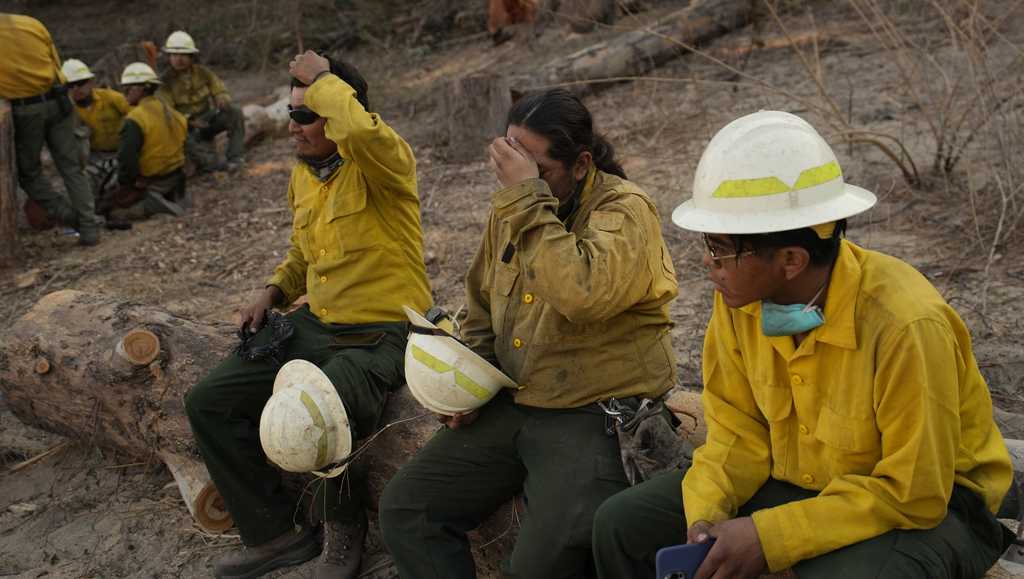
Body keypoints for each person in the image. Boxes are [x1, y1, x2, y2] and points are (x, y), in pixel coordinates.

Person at [592, 110, 1014, 579]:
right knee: (620, 525)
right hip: (799, 480)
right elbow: (737, 435)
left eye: (720, 249)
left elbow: (913, 490)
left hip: (933, 509)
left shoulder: (905, 324)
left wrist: (770, 536)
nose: (709, 264)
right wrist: (705, 517)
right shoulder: (740, 301)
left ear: (791, 259)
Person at [379, 88, 680, 578]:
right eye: (511, 161)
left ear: (581, 165)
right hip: (517, 398)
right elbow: (480, 305)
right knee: (408, 510)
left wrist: (525, 200)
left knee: (542, 565)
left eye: (536, 170)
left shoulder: (625, 211)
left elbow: (581, 293)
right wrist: (467, 383)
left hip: (593, 412)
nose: (518, 178)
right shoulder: (513, 208)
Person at [184, 50, 431, 579]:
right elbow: (304, 252)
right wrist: (273, 290)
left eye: (305, 115)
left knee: (324, 400)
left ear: (339, 114)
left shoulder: (383, 163)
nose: (292, 129)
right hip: (320, 323)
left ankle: (344, 532)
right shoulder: (304, 175)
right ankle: (275, 534)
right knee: (209, 401)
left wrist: (322, 78)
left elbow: (363, 134)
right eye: (291, 114)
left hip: (383, 331)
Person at [0, 12, 101, 245]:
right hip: (58, 101)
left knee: (29, 173)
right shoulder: (32, 23)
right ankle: (89, 227)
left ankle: (72, 218)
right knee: (71, 167)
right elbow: (56, 65)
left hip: (25, 109)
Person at [157, 30, 246, 172]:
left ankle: (235, 157)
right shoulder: (164, 82)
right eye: (174, 55)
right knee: (182, 137)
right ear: (169, 57)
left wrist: (221, 98)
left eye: (183, 55)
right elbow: (168, 112)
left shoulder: (203, 73)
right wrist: (189, 121)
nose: (179, 59)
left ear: (191, 56)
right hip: (186, 127)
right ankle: (217, 165)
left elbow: (219, 88)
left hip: (207, 120)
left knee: (234, 111)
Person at [110, 62, 188, 221]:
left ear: (141, 88)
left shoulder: (135, 119)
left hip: (151, 181)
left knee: (111, 211)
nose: (124, 93)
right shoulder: (169, 110)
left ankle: (151, 205)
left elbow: (127, 160)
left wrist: (127, 184)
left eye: (127, 88)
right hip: (176, 174)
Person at [62, 58, 130, 203]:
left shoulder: (111, 98)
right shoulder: (67, 111)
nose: (76, 89)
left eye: (80, 83)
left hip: (121, 152)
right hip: (93, 158)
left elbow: (137, 116)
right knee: (85, 185)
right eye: (70, 85)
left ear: (90, 82)